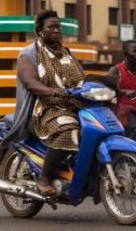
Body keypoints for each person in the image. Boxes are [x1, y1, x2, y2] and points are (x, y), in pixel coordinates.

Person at [15, 10, 85, 197]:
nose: (56, 31)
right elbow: (30, 82)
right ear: (40, 31)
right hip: (44, 108)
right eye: (51, 27)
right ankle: (44, 177)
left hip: (72, 105)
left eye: (58, 27)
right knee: (67, 128)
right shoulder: (28, 54)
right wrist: (52, 91)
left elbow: (82, 80)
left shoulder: (66, 53)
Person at [106, 40, 136, 143]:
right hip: (120, 111)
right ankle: (124, 154)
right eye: (134, 51)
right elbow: (108, 91)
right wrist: (123, 92)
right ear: (125, 53)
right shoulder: (115, 70)